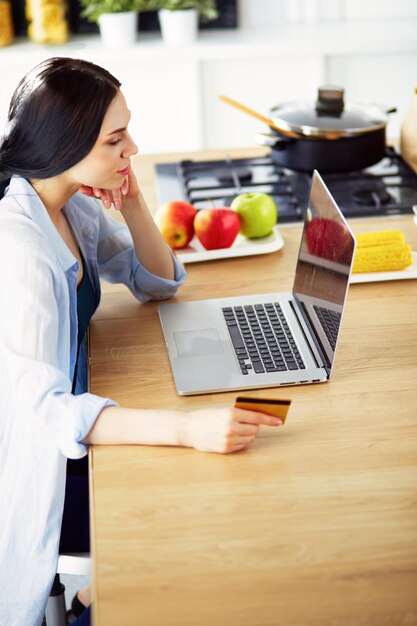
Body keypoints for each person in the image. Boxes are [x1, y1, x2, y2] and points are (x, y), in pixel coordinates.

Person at [0, 57, 282, 626]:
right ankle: (87, 603)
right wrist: (187, 429)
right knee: (200, 508)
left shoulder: (69, 205)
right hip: (41, 463)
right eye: (116, 139)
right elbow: (43, 414)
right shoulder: (20, 248)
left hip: (82, 419)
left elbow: (156, 282)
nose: (133, 148)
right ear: (65, 146)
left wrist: (130, 200)